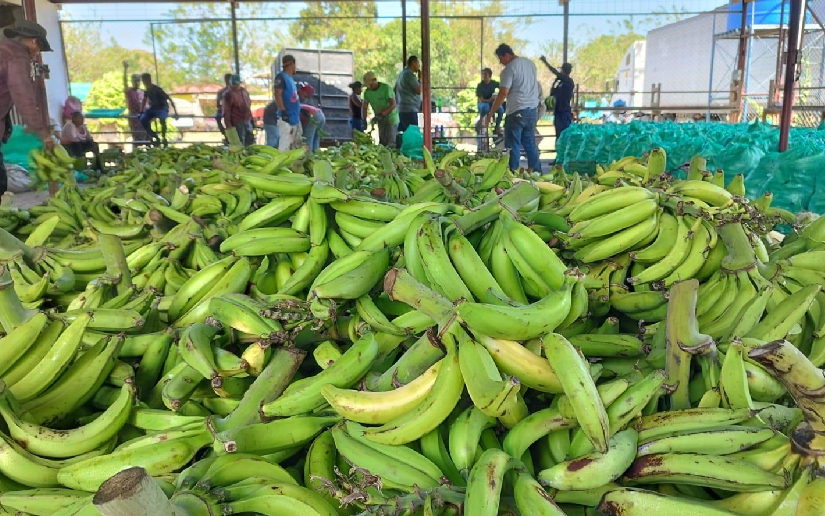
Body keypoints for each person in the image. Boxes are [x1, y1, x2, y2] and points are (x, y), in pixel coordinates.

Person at [0, 20, 55, 196]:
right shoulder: (16, 55)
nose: (37, 54)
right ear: (33, 41)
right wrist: (43, 133)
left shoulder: (4, 50)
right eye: (39, 49)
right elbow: (23, 95)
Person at [486, 44, 541, 172]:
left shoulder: (509, 69)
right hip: (532, 110)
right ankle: (537, 173)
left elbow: (503, 93)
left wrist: (491, 112)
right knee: (530, 144)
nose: (500, 62)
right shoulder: (530, 64)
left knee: (513, 145)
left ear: (507, 55)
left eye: (500, 59)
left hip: (516, 111)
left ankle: (513, 174)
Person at [361, 71, 398, 148]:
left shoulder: (386, 88)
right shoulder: (367, 93)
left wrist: (382, 114)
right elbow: (364, 107)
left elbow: (393, 104)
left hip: (391, 118)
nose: (369, 87)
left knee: (391, 142)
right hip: (380, 118)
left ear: (375, 81)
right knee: (382, 142)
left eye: (370, 85)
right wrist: (364, 120)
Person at [140, 73, 178, 147]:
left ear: (148, 80)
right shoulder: (147, 91)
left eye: (144, 80)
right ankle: (155, 136)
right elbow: (144, 100)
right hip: (154, 108)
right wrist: (141, 111)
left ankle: (163, 137)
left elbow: (169, 99)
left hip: (162, 107)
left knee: (162, 119)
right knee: (143, 120)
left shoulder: (157, 89)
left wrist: (176, 112)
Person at [273, 54, 302, 152]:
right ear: (291, 64)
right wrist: (283, 111)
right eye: (294, 64)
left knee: (295, 147)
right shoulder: (281, 77)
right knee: (284, 146)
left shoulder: (291, 79)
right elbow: (277, 94)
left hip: (295, 118)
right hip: (286, 119)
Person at [222, 74, 253, 148]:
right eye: (234, 84)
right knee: (239, 141)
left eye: (237, 83)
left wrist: (251, 118)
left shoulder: (244, 91)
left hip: (247, 119)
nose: (236, 86)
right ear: (231, 84)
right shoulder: (228, 94)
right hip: (237, 121)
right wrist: (228, 124)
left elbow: (248, 104)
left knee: (250, 139)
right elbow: (226, 111)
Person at [548, 62, 574, 144]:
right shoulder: (561, 83)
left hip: (564, 111)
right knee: (558, 134)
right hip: (558, 111)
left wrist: (546, 62)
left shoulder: (569, 81)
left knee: (564, 134)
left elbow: (555, 72)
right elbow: (552, 93)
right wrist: (555, 82)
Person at [395, 55, 421, 138]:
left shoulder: (401, 74)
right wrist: (421, 79)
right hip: (410, 109)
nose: (419, 65)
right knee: (413, 135)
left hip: (402, 108)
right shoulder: (409, 75)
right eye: (418, 63)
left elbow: (394, 89)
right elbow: (418, 90)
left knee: (406, 134)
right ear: (413, 63)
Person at [122, 61, 146, 144]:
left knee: (146, 138)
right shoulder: (129, 91)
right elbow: (124, 83)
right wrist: (125, 69)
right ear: (132, 81)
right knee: (136, 138)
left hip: (143, 118)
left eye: (138, 81)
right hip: (134, 118)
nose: (137, 82)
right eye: (135, 81)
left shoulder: (143, 92)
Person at [298, 83, 325, 153]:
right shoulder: (300, 101)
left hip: (314, 115)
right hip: (321, 115)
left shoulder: (295, 105)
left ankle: (308, 158)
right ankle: (315, 155)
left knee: (308, 138)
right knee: (316, 138)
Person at [477, 68, 504, 134]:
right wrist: (489, 100)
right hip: (483, 102)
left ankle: (497, 126)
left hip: (492, 102)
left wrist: (498, 97)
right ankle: (481, 122)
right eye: (483, 74)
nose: (484, 75)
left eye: (485, 74)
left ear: (490, 75)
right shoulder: (480, 85)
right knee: (485, 108)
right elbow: (480, 99)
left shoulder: (493, 83)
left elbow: (503, 87)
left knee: (501, 110)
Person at [215, 73, 232, 140]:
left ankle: (226, 133)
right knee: (218, 117)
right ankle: (225, 133)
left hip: (233, 111)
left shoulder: (237, 91)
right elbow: (218, 104)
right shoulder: (221, 91)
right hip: (225, 110)